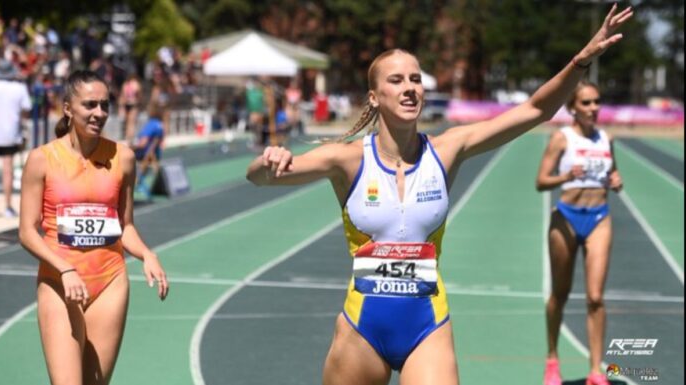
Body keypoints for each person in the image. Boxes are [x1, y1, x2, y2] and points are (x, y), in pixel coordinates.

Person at [246, 5, 632, 385]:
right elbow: (259, 178)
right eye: (396, 81)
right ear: (375, 97)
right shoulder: (345, 160)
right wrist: (269, 162)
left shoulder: (447, 150)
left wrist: (581, 61)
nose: (410, 88)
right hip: (361, 328)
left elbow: (534, 109)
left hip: (426, 326)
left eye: (415, 79)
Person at [18, 70, 169, 385]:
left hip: (109, 282)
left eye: (105, 105)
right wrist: (64, 269)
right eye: (90, 105)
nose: (99, 113)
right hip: (60, 283)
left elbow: (124, 225)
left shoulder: (123, 157)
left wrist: (147, 255)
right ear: (68, 108)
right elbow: (27, 232)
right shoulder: (42, 159)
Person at [536, 80, 623, 385]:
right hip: (566, 218)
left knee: (596, 297)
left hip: (599, 217)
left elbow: (613, 176)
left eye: (596, 102)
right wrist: (564, 175)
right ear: (573, 107)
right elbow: (541, 181)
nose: (593, 108)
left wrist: (616, 181)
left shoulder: (606, 139)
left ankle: (596, 370)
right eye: (586, 103)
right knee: (560, 294)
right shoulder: (562, 139)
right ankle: (552, 358)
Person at [0, 59, 31, 217]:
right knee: (8, 170)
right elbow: (26, 109)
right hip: (10, 133)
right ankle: (8, 206)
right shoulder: (19, 88)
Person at [131, 104, 165, 199]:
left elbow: (142, 144)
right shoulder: (160, 125)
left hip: (144, 154)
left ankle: (135, 183)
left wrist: (130, 148)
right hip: (155, 154)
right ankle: (140, 182)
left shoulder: (151, 125)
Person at [118, 73, 142, 143]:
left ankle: (128, 137)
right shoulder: (136, 84)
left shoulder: (125, 84)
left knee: (128, 122)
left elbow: (123, 95)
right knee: (131, 122)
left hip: (127, 104)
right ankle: (129, 138)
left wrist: (121, 106)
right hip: (133, 103)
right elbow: (139, 94)